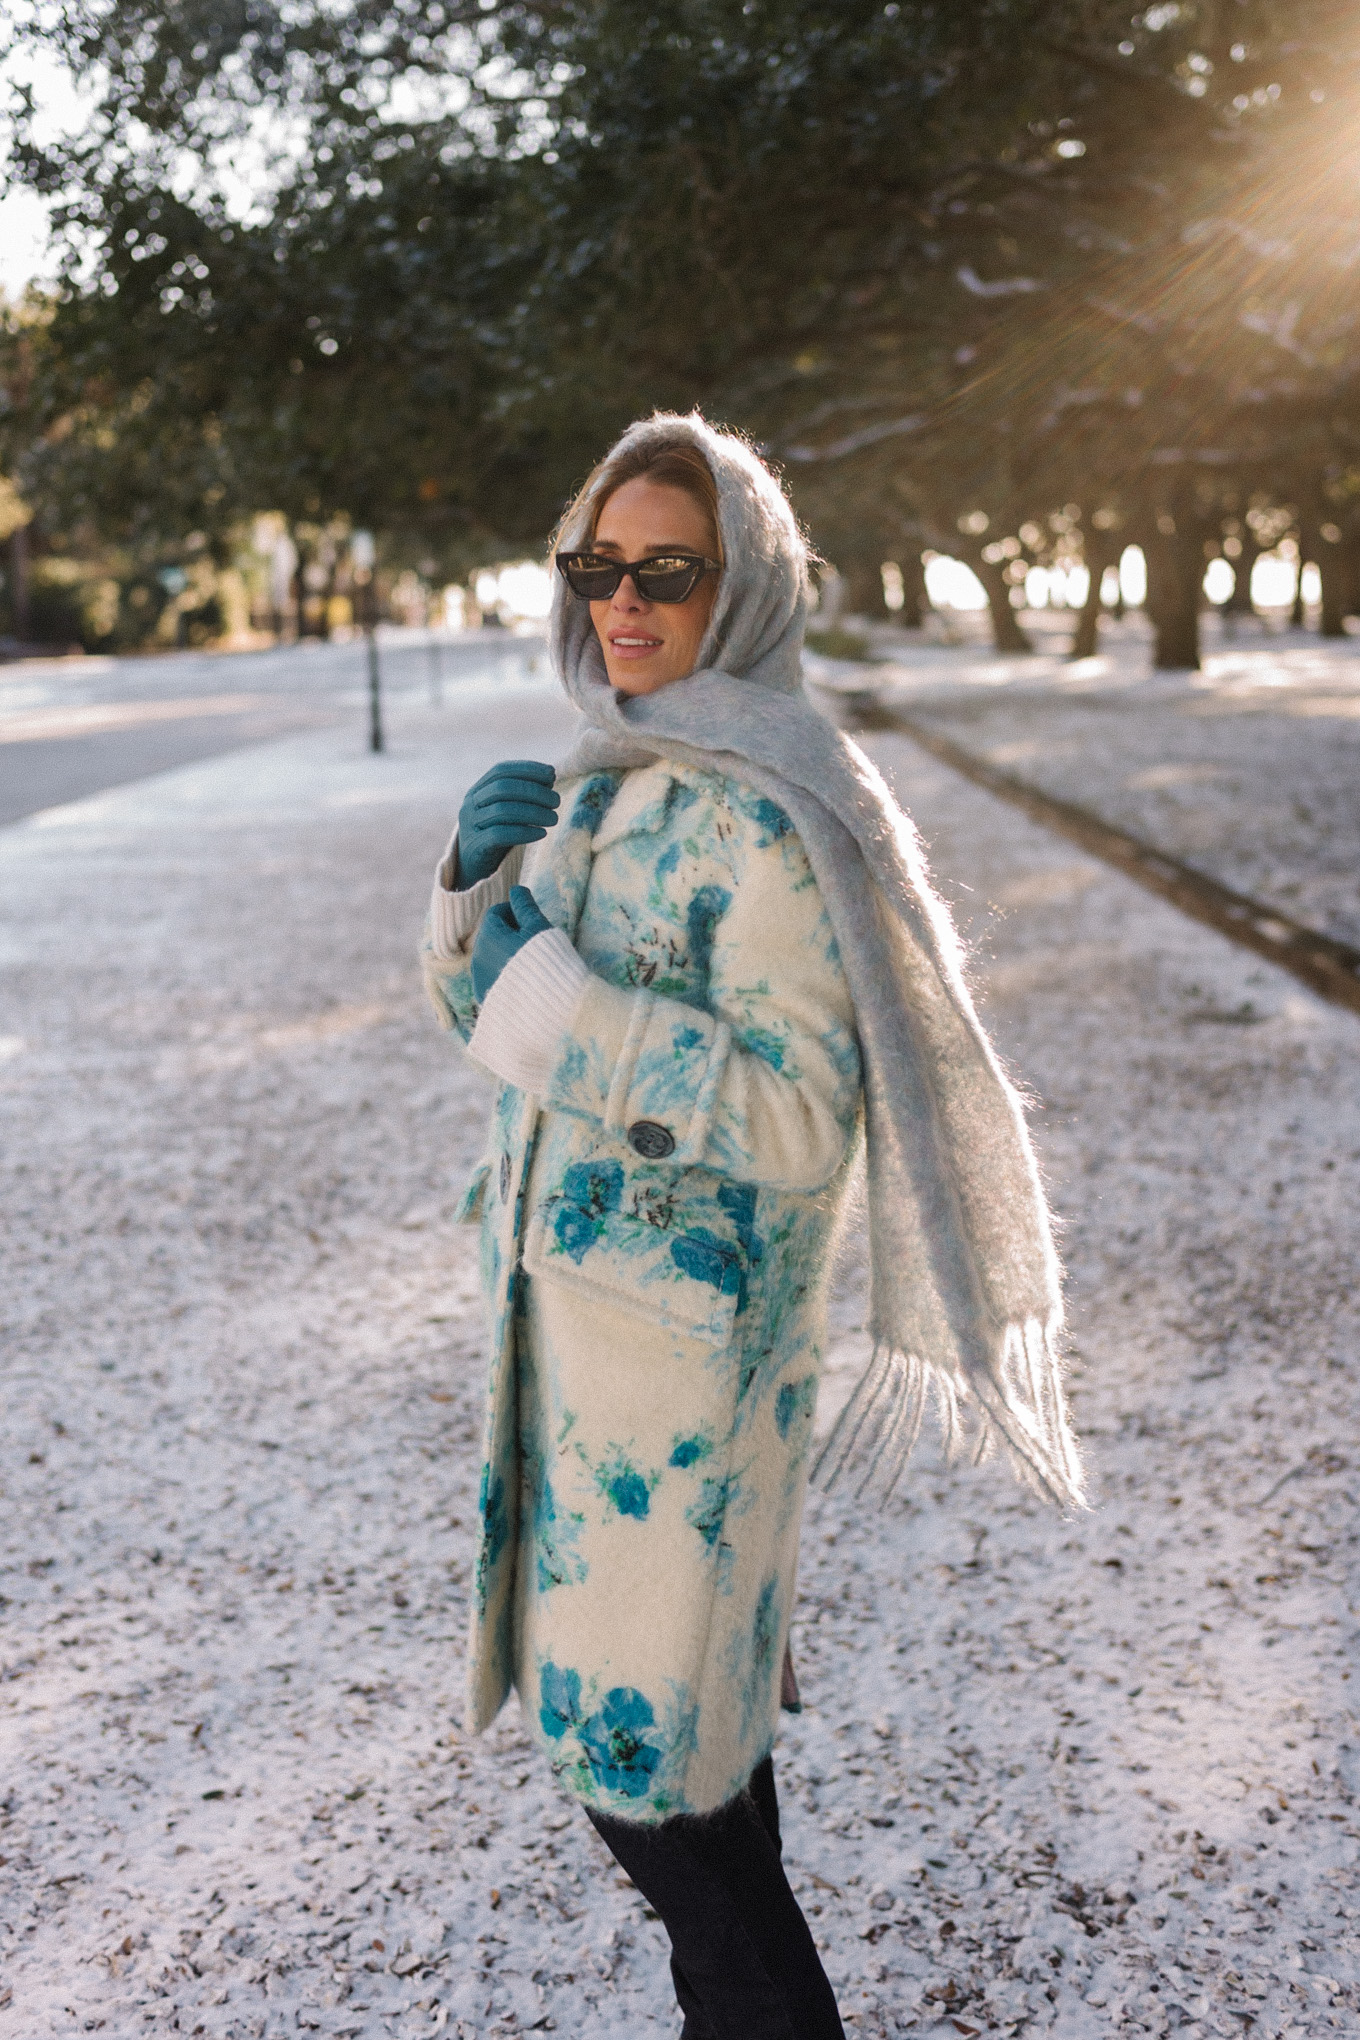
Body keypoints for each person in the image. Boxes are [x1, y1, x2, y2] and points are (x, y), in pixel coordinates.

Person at [421, 414, 1084, 2039]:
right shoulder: (615, 769)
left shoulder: (777, 810)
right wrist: (465, 888)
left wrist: (565, 1008)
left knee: (658, 1809)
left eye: (671, 570)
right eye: (599, 564)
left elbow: (800, 1123)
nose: (623, 604)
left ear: (753, 582)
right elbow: (492, 1004)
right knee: (704, 1797)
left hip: (686, 1405)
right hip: (574, 1369)